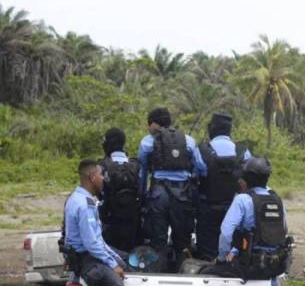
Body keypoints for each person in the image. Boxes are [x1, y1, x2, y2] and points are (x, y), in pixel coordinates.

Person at [63, 159, 126, 286]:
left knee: (126, 260)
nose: (103, 179)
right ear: (92, 177)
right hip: (86, 261)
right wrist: (111, 263)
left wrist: (116, 259)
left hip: (88, 254)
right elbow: (91, 244)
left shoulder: (80, 198)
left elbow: (98, 241)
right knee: (116, 285)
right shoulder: (84, 205)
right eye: (100, 175)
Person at [138, 108, 205, 270]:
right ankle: (183, 272)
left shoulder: (147, 141)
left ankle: (158, 272)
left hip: (158, 195)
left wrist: (142, 195)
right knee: (182, 241)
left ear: (154, 123)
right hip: (182, 195)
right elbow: (202, 168)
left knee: (158, 241)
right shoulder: (188, 140)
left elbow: (142, 171)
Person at [215, 157, 291, 280]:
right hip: (274, 266)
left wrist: (222, 259)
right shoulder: (277, 200)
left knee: (210, 271)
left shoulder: (242, 199)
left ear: (245, 177)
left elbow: (226, 234)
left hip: (248, 266)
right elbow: (284, 230)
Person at [195, 113, 251, 260]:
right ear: (229, 130)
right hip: (235, 207)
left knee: (206, 252)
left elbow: (195, 175)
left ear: (211, 129)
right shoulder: (243, 152)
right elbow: (249, 178)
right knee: (235, 245)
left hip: (208, 207)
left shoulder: (201, 150)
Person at [99, 128, 140, 252]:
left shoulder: (102, 165)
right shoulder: (135, 165)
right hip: (133, 220)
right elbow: (142, 191)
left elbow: (99, 194)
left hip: (110, 219)